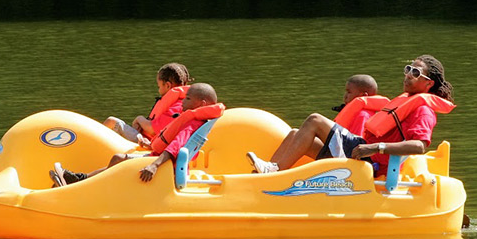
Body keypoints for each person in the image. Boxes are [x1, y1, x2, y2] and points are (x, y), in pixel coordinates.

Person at [247, 55, 454, 176]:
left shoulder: (423, 110)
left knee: (315, 120)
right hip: (362, 151)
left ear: (429, 84)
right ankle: (264, 179)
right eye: (408, 69)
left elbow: (419, 146)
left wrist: (375, 147)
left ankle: (271, 173)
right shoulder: (406, 101)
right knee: (295, 134)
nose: (408, 75)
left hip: (369, 159)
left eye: (416, 73)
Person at [51, 83, 223, 186]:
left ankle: (79, 183)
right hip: (160, 157)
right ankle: (78, 179)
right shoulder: (196, 119)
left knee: (118, 158)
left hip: (163, 165)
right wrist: (152, 146)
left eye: (187, 99)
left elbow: (176, 146)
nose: (183, 102)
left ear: (202, 103)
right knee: (119, 160)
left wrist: (154, 166)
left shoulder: (193, 122)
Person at [247, 73, 387, 172]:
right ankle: (268, 172)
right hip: (342, 154)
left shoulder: (363, 114)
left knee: (314, 120)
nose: (345, 96)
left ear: (364, 95)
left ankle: (275, 170)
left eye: (349, 92)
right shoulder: (355, 112)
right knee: (294, 134)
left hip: (352, 161)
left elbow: (356, 144)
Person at [104, 62, 192, 146]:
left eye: (159, 86)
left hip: (147, 142)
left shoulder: (177, 107)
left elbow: (153, 130)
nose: (159, 90)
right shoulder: (181, 102)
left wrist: (139, 119)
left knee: (111, 122)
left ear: (168, 85)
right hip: (145, 138)